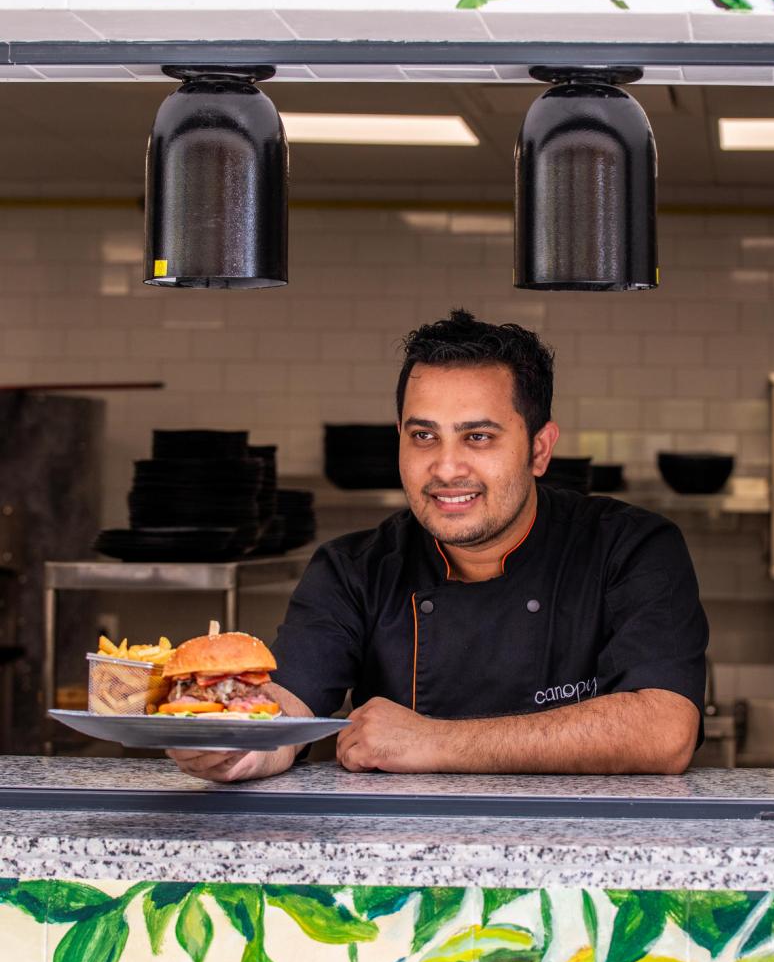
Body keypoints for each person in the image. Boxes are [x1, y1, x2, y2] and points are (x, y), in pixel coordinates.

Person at [168, 308, 708, 782]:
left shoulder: (630, 549)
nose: (446, 468)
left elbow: (664, 730)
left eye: (478, 437)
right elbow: (286, 714)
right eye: (423, 436)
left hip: (581, 863)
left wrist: (433, 742)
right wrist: (233, 746)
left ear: (540, 449)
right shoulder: (352, 569)